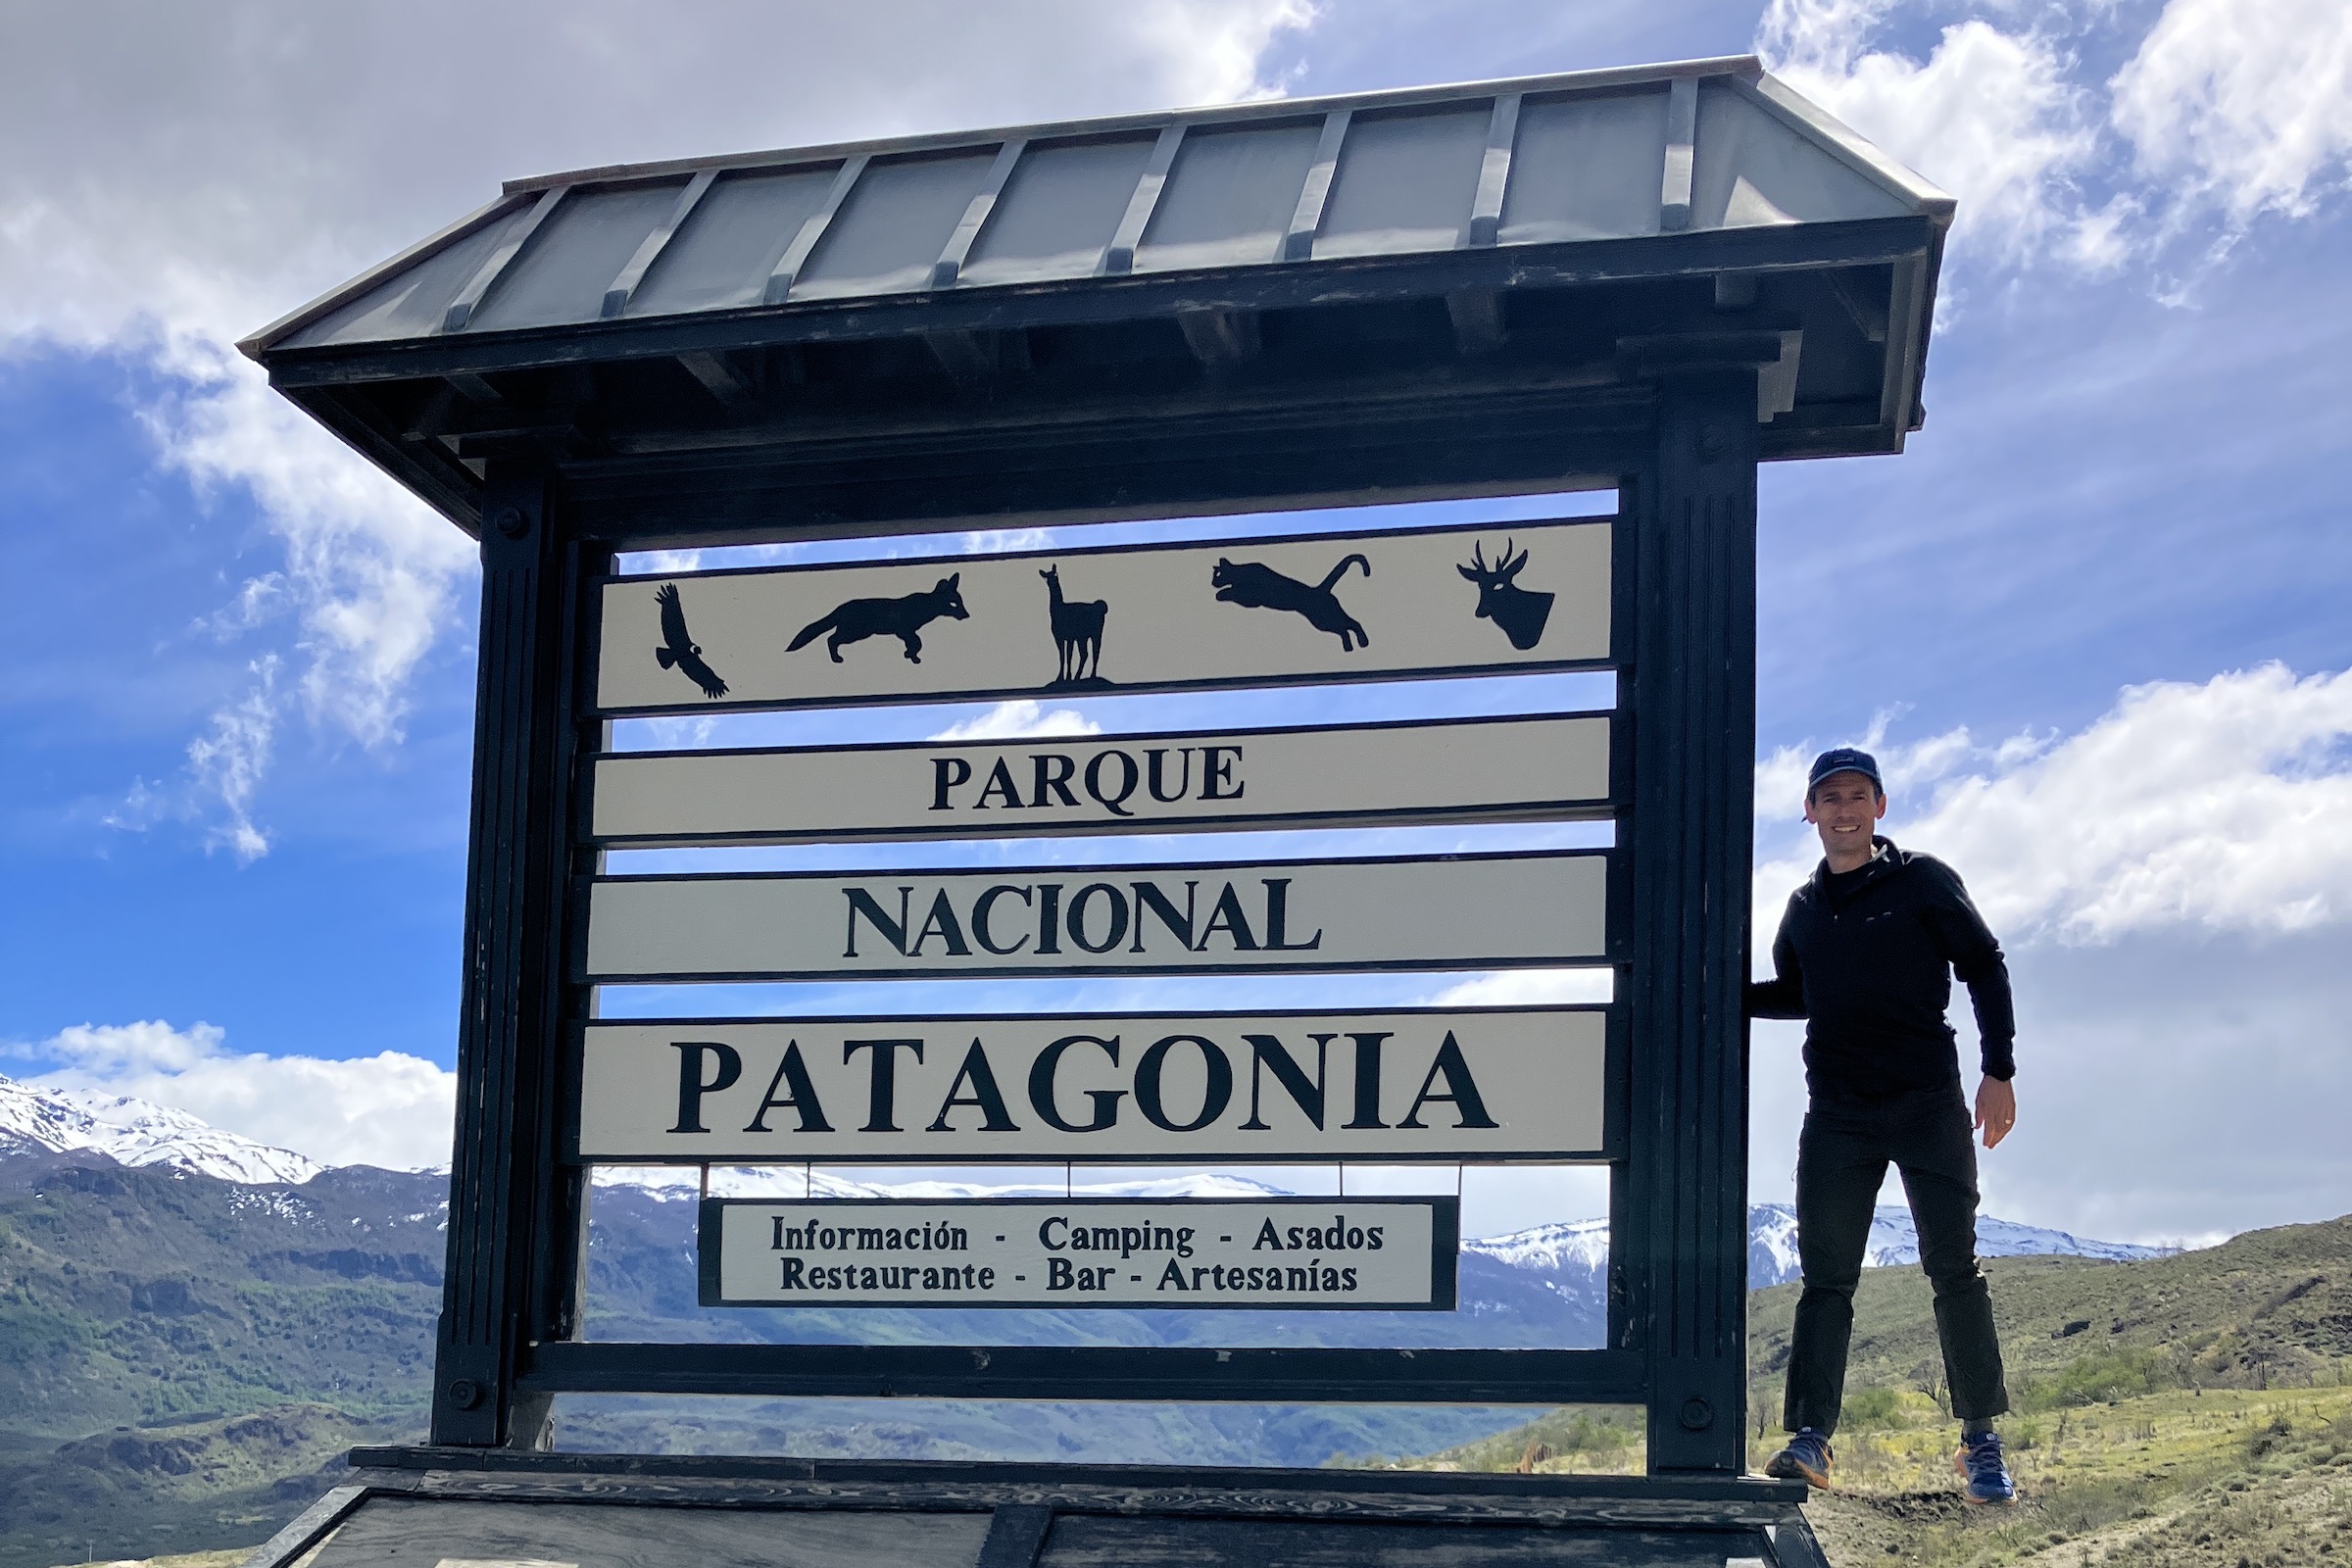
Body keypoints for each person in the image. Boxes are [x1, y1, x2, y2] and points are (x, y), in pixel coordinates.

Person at [1747, 747, 2019, 1506]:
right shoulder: (1803, 908)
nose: (1843, 809)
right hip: (1837, 1112)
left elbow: (1984, 964)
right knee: (1825, 1281)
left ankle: (1981, 1443)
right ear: (1809, 812)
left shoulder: (1924, 882)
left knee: (1953, 1268)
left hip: (1927, 1103)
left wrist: (1999, 1071)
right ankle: (1810, 1440)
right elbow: (1800, 994)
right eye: (1828, 798)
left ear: (1880, 806)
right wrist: (1721, 994)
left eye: (1857, 796)